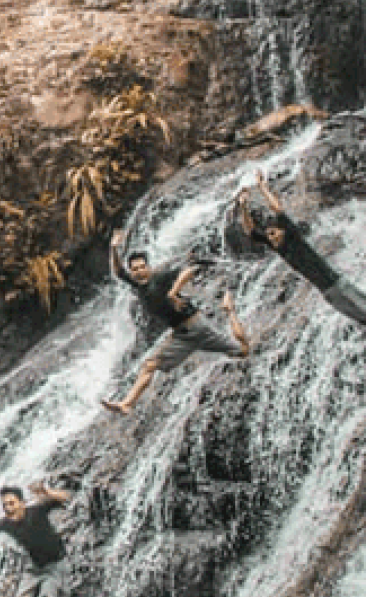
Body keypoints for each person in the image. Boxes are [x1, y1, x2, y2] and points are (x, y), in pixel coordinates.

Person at [100, 228, 252, 415]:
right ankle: (127, 404)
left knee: (243, 351)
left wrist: (173, 291)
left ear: (148, 267)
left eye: (142, 267)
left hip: (197, 326)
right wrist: (114, 248)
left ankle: (230, 312)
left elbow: (190, 269)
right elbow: (118, 271)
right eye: (135, 269)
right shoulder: (138, 285)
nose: (139, 271)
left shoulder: (160, 277)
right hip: (181, 336)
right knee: (149, 365)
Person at [235, 169, 366, 327]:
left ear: (283, 230)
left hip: (337, 284)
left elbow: (277, 209)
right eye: (269, 236)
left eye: (274, 233)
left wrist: (263, 188)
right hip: (328, 293)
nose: (271, 237)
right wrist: (243, 206)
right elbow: (250, 231)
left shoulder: (294, 237)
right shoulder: (279, 248)